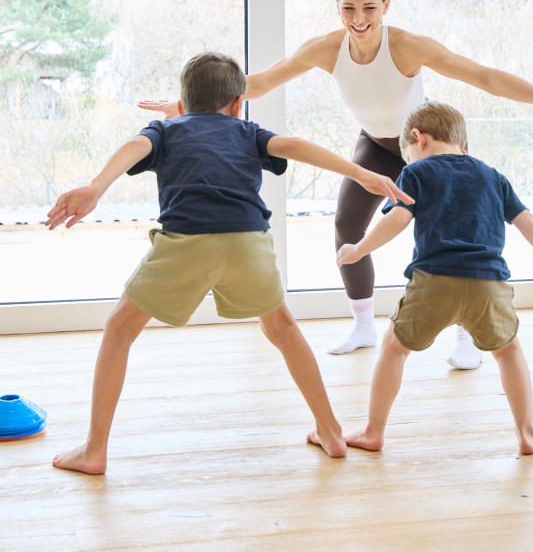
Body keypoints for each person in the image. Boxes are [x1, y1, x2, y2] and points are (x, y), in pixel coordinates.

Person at [140, 0, 533, 361]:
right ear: (337, 7)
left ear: (386, 6)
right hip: (377, 145)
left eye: (368, 8)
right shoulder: (325, 48)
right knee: (346, 225)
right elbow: (255, 85)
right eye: (348, 9)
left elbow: (481, 75)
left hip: (427, 145)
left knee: (458, 232)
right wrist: (185, 105)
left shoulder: (407, 45)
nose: (358, 19)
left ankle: (467, 332)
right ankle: (363, 323)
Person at [45, 51, 414, 474]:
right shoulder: (246, 131)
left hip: (187, 245)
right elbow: (293, 145)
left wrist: (96, 187)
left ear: (181, 104)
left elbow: (135, 146)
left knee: (120, 328)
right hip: (248, 243)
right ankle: (330, 431)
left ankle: (95, 450)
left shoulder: (164, 129)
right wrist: (360, 173)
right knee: (283, 328)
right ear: (238, 104)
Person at [336, 101, 533, 456]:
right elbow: (527, 221)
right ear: (463, 146)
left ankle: (373, 431)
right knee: (509, 351)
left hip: (434, 282)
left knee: (394, 348)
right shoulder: (493, 176)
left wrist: (359, 249)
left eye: (407, 155)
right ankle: (528, 435)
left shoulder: (417, 174)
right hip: (489, 285)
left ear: (417, 138)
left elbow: (397, 220)